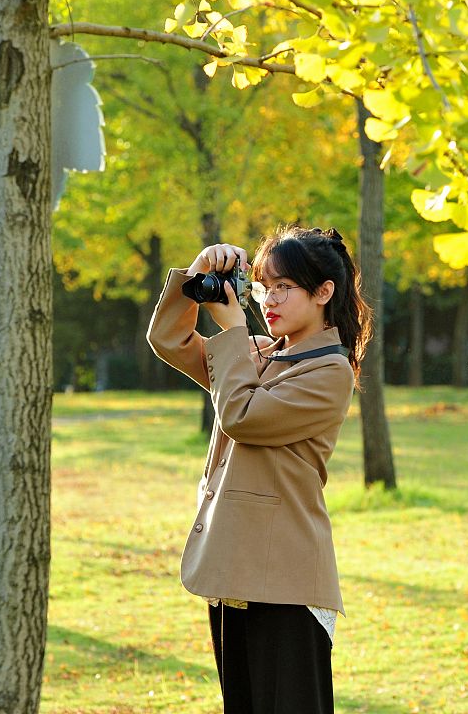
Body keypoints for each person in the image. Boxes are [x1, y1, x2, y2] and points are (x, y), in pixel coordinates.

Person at [147, 225, 370, 714]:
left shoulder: (330, 372)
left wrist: (231, 333)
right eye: (264, 286)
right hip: (234, 570)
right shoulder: (260, 352)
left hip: (286, 583)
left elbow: (243, 416)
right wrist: (199, 271)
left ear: (324, 293)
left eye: (285, 287)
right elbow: (167, 338)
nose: (269, 299)